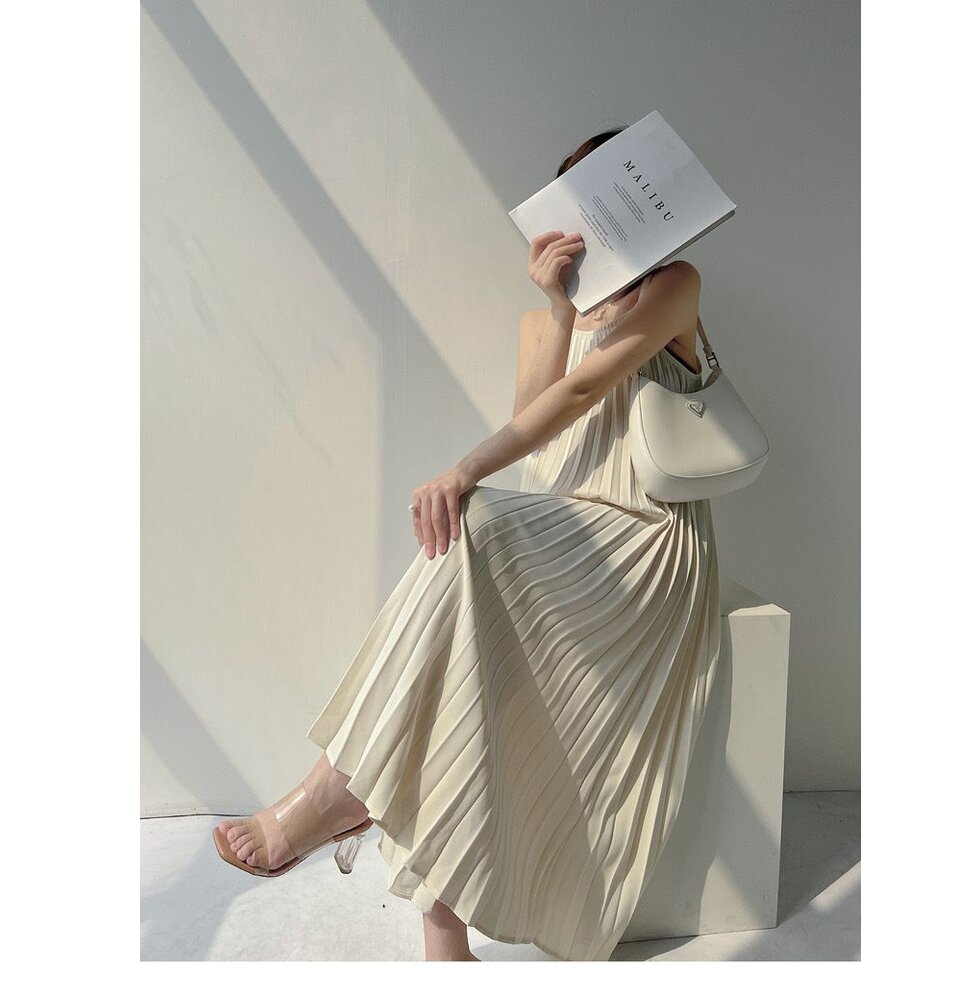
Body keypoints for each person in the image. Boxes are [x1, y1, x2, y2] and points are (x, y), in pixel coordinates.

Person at [213, 126, 721, 963]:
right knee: (457, 635)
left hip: (644, 546)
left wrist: (462, 471)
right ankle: (443, 941)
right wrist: (560, 309)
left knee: (471, 521)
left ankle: (337, 792)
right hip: (563, 539)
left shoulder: (675, 287)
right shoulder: (542, 322)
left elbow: (582, 394)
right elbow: (539, 431)